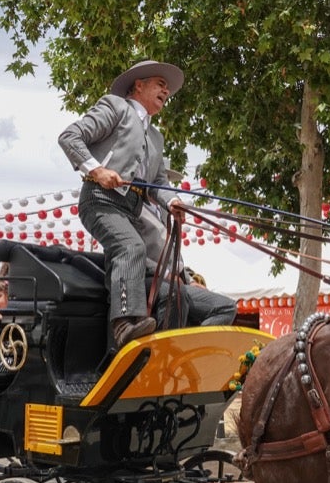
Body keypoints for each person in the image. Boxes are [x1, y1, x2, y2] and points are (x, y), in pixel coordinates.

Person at [58, 59, 186, 347]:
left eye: (168, 88)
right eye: (160, 84)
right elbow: (70, 136)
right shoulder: (116, 106)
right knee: (130, 247)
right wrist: (97, 170)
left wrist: (173, 202)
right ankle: (124, 324)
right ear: (137, 85)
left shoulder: (156, 136)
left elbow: (158, 184)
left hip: (132, 208)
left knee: (145, 263)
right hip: (100, 199)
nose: (166, 91)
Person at [136, 195, 237, 329]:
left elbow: (174, 257)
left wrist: (191, 281)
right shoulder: (134, 207)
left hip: (177, 281)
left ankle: (193, 348)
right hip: (148, 278)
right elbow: (133, 252)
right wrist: (166, 274)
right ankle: (170, 347)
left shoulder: (165, 210)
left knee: (227, 307)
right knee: (175, 291)